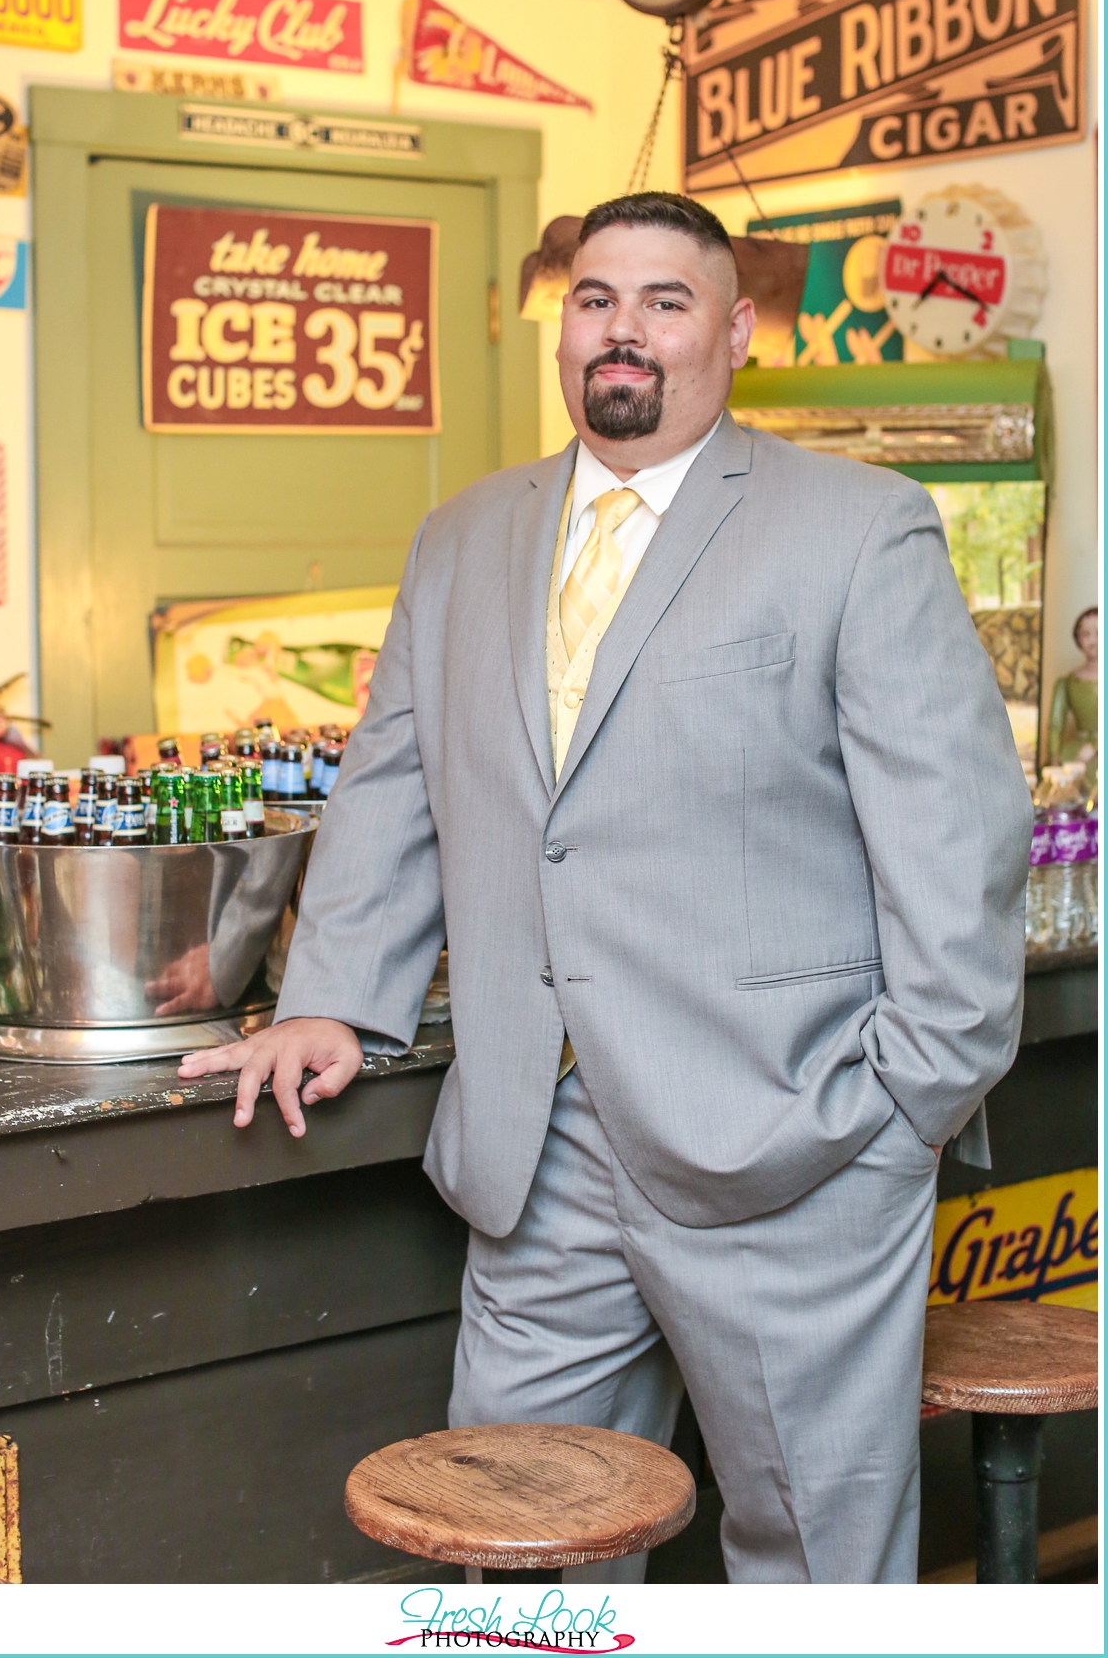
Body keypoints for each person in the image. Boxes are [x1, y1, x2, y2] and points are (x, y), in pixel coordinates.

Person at [180, 192, 1032, 1584]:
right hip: (539, 1149)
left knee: (813, 1564)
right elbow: (394, 784)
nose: (620, 329)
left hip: (793, 1144)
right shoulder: (461, 538)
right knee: (519, 1550)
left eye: (664, 300)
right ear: (562, 327)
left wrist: (904, 1102)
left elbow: (960, 836)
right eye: (594, 299)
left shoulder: (855, 528)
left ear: (738, 332)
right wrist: (332, 995)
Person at [1047, 604, 1097, 772]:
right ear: (1078, 638)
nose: (1094, 640)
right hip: (1079, 753)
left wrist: (1096, 745)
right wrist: (1054, 759)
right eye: (1087, 634)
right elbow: (1056, 725)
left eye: (1100, 633)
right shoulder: (1068, 683)